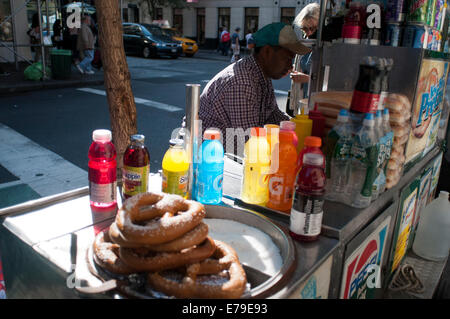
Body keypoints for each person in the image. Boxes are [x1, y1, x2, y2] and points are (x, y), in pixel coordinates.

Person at [199, 22, 311, 155]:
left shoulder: (261, 74)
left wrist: (299, 130)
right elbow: (249, 142)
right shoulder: (242, 83)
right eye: (287, 58)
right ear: (267, 51)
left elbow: (273, 114)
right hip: (210, 158)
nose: (290, 66)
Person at [291, 3, 320, 94]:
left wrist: (308, 78)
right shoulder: (306, 42)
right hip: (303, 95)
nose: (309, 33)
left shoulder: (325, 45)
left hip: (316, 97)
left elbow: (331, 79)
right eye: (305, 29)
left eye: (312, 28)